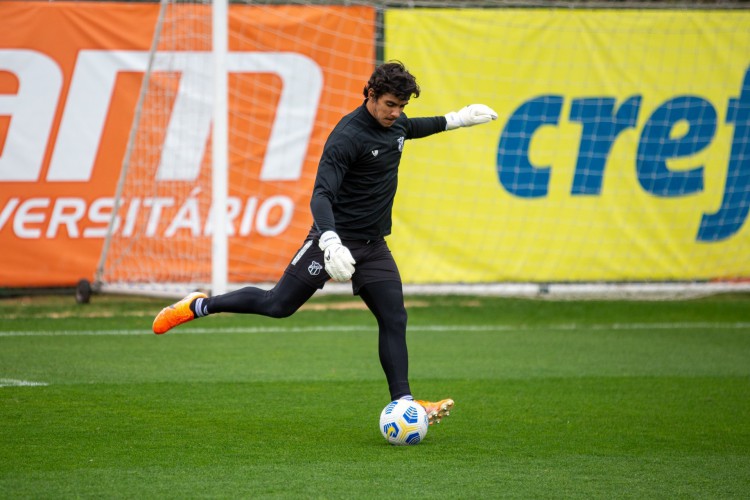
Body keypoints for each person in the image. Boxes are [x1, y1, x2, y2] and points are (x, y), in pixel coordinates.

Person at [152, 61, 497, 425]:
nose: (396, 114)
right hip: (331, 240)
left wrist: (455, 119)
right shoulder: (347, 136)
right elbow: (321, 195)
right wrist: (330, 241)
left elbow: (411, 128)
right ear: (371, 95)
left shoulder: (394, 124)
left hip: (372, 245)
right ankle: (201, 304)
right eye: (391, 105)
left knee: (394, 317)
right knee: (278, 305)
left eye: (402, 107)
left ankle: (405, 403)